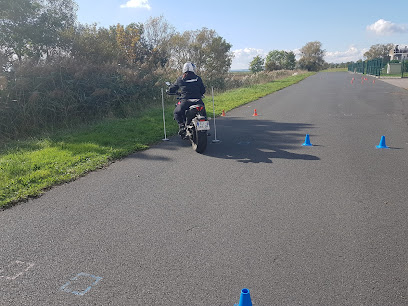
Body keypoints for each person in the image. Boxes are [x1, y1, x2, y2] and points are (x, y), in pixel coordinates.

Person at [168, 62, 206, 136]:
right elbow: (203, 91)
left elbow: (172, 88)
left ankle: (182, 126)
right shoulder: (198, 78)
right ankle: (204, 128)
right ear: (193, 69)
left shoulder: (180, 79)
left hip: (186, 102)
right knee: (203, 113)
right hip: (198, 101)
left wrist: (169, 90)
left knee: (176, 112)